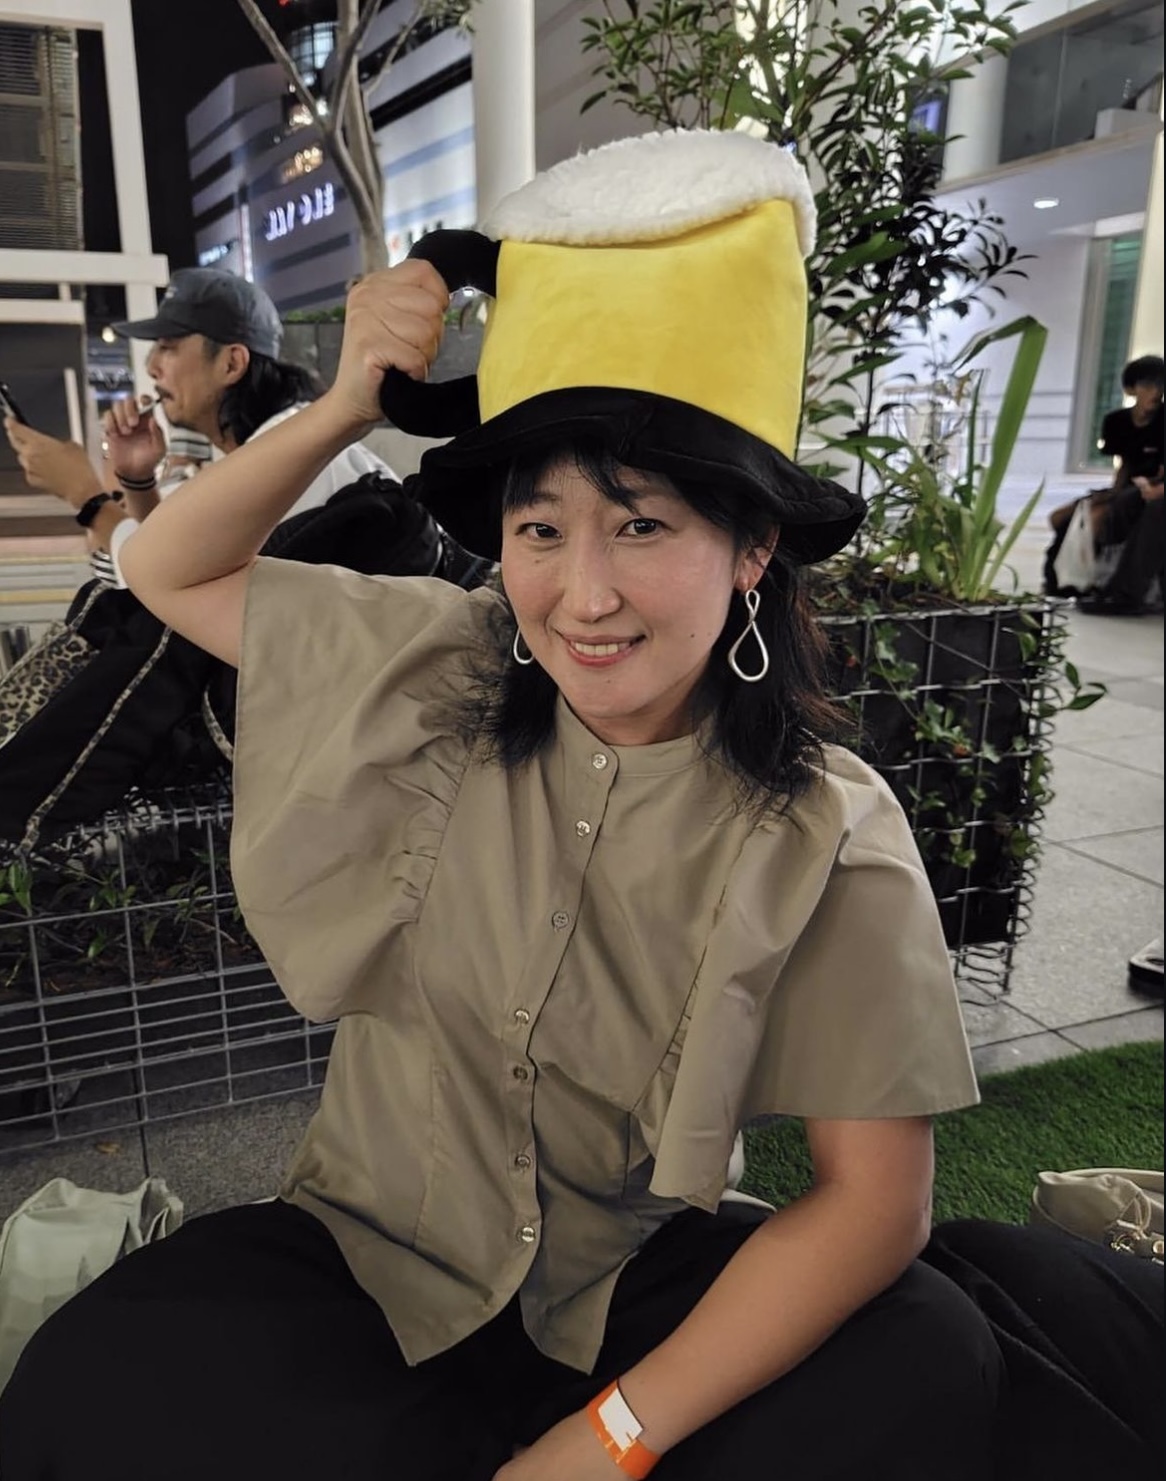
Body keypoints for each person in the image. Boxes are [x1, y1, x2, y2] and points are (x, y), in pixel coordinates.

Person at [1, 130, 1160, 1481]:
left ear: (752, 546)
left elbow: (870, 1207)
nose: (583, 594)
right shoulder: (440, 667)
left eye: (643, 525)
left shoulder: (823, 831)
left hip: (622, 1288)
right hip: (367, 1255)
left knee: (925, 1350)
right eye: (540, 528)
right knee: (94, 1380)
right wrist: (344, 407)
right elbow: (171, 573)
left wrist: (605, 1441)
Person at [3, 266, 396, 586]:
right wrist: (138, 479)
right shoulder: (271, 443)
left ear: (231, 364)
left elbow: (164, 576)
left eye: (168, 348)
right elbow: (174, 549)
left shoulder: (291, 454)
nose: (151, 366)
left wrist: (85, 495)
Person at [1044, 355, 1164, 612]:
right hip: (1131, 486)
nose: (1155, 392)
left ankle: (1102, 586)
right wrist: (1112, 492)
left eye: (1160, 385)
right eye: (1147, 385)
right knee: (1064, 516)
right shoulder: (1117, 422)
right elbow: (1125, 464)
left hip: (1151, 488)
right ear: (1131, 388)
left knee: (1103, 516)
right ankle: (1061, 580)